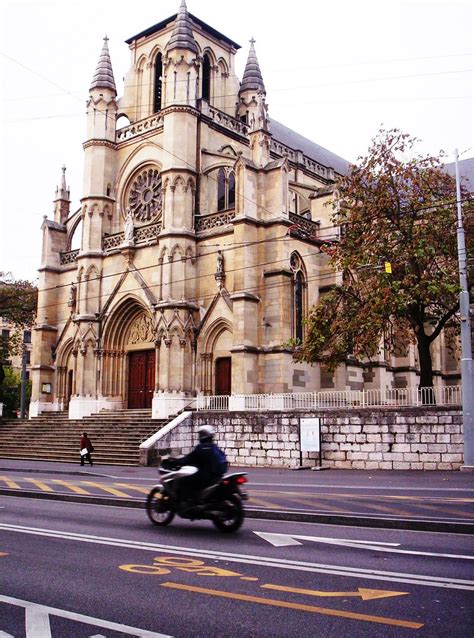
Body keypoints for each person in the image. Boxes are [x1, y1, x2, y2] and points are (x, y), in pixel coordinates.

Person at [173, 425, 227, 504]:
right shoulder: (213, 447)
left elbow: (189, 458)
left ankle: (190, 502)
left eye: (200, 434)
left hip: (205, 476)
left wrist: (176, 461)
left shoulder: (201, 448)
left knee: (183, 480)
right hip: (216, 475)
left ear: (203, 435)